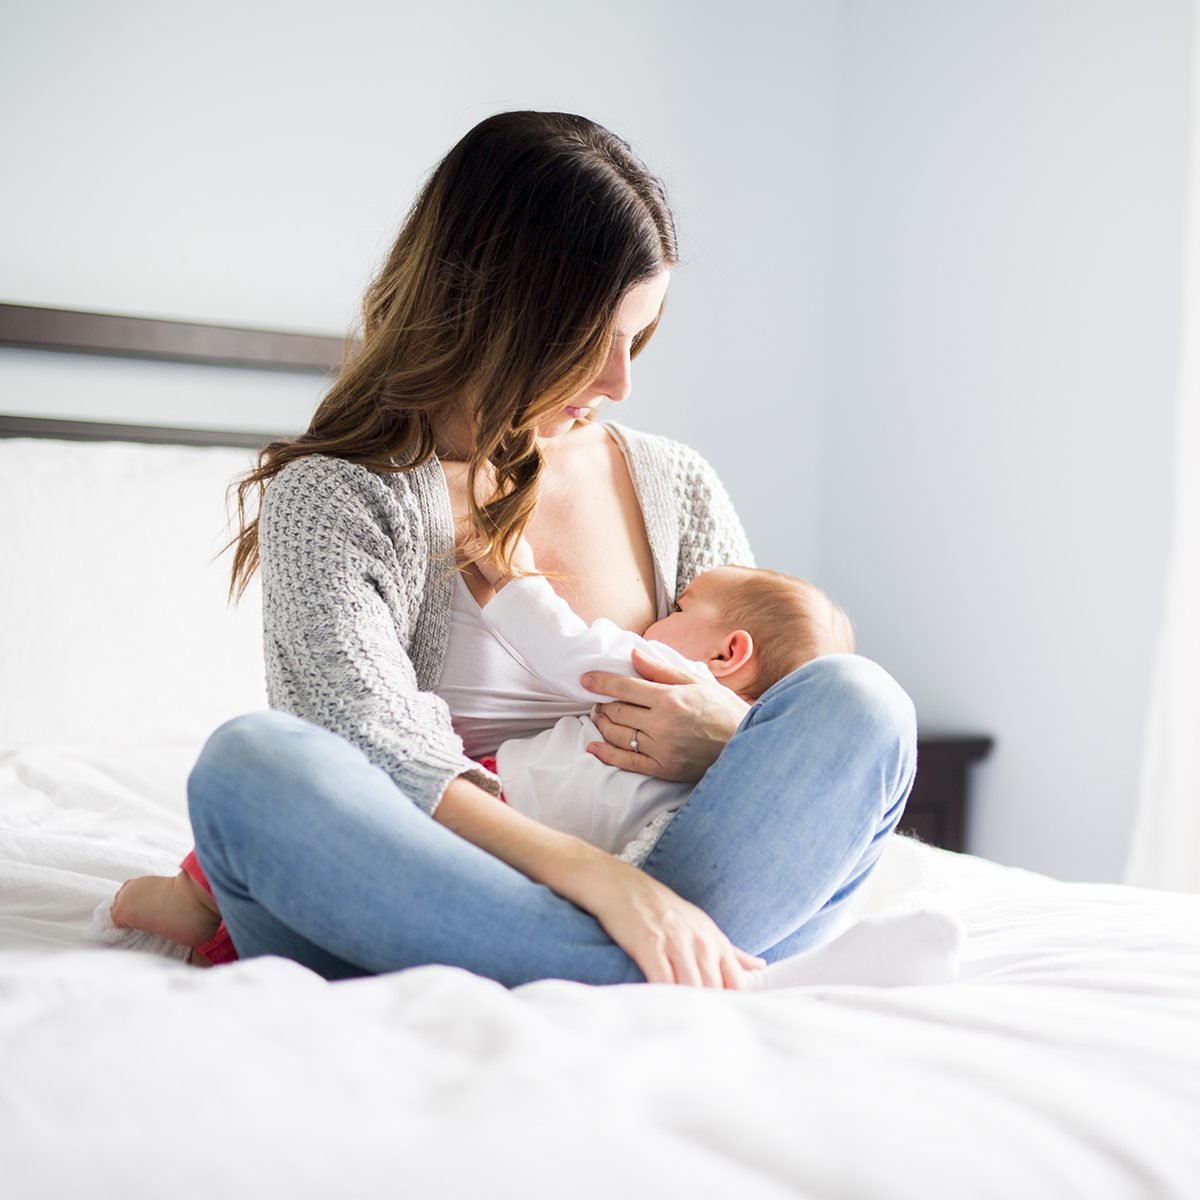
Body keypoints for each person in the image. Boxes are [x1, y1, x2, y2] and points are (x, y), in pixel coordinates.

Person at [115, 110, 929, 990]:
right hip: (427, 882)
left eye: (638, 338)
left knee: (861, 701)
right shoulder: (340, 495)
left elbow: (768, 712)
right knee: (252, 768)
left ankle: (594, 965)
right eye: (593, 341)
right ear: (499, 310)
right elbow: (370, 750)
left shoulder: (674, 485)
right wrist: (609, 886)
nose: (621, 382)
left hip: (648, 875)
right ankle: (657, 967)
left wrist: (724, 739)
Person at [109, 553, 857, 950]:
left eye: (682, 607)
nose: (660, 615)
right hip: (573, 862)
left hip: (504, 801)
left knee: (352, 792)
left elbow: (564, 647)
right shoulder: (753, 768)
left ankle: (195, 894)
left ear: (729, 652)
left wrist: (503, 571)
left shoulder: (669, 677)